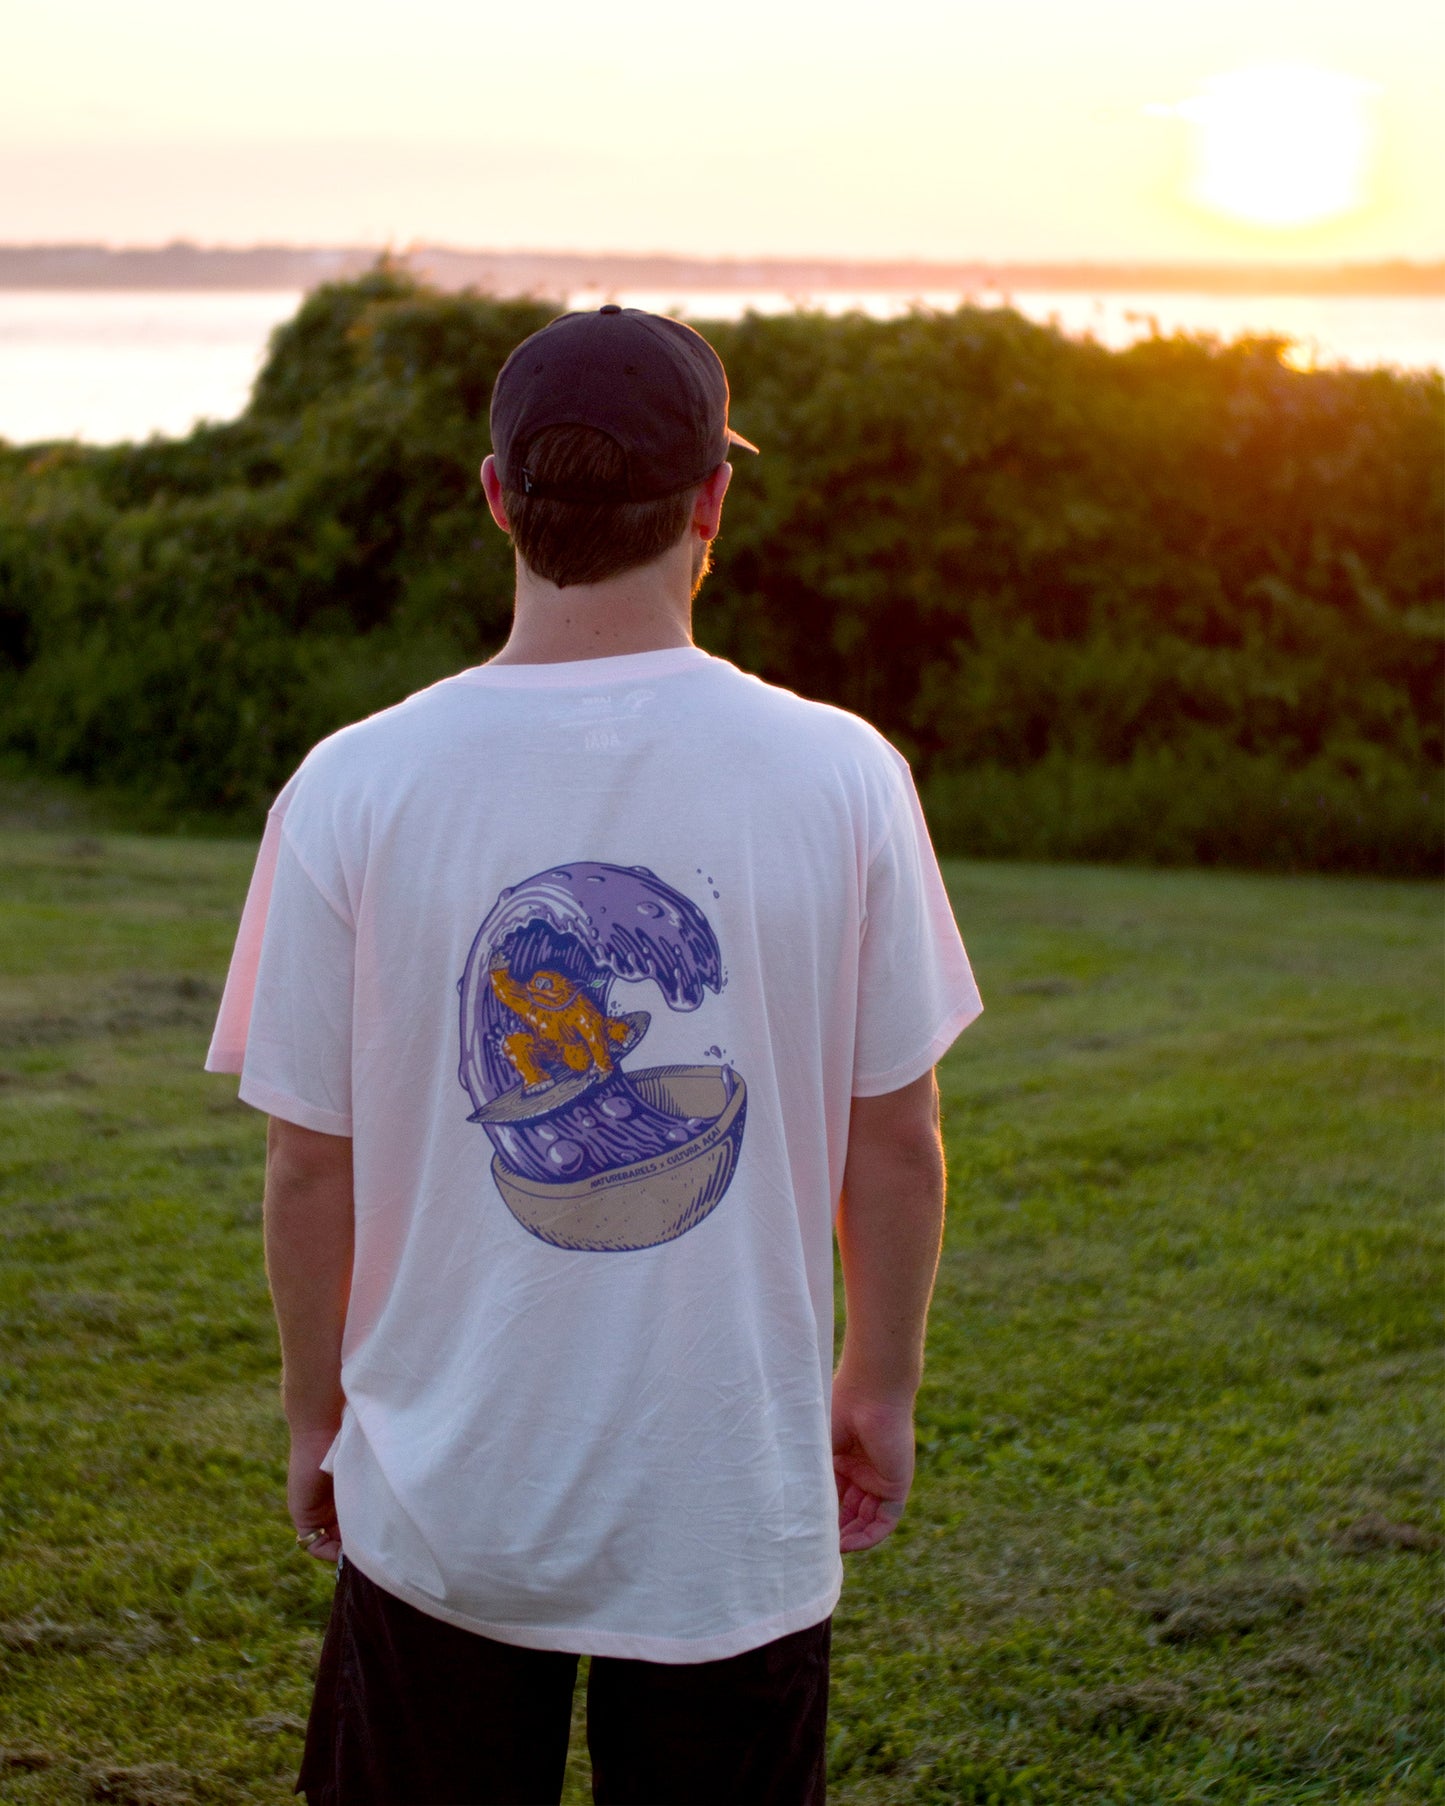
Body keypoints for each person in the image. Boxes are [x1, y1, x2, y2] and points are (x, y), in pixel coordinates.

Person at [206, 304, 982, 1806]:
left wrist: (319, 1414)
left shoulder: (353, 782)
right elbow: (894, 1138)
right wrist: (876, 1380)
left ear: (495, 494)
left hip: (442, 1504)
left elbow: (311, 1158)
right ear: (710, 501)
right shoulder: (844, 773)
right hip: (729, 1510)